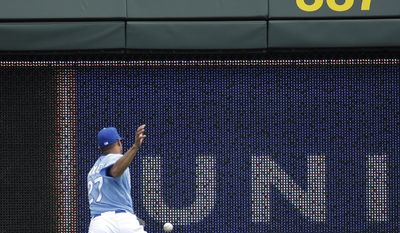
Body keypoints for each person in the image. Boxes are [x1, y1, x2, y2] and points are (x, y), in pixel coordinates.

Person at [87, 125, 147, 233]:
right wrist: (135, 146)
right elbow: (115, 171)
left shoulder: (92, 170)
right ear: (119, 142)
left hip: (98, 223)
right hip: (121, 220)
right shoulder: (115, 157)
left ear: (100, 148)